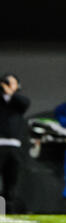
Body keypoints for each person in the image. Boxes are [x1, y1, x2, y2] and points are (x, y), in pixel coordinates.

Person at [0, 73, 30, 213]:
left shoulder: (19, 102)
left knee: (11, 183)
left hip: (14, 147)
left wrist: (10, 91)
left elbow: (24, 103)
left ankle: (9, 211)